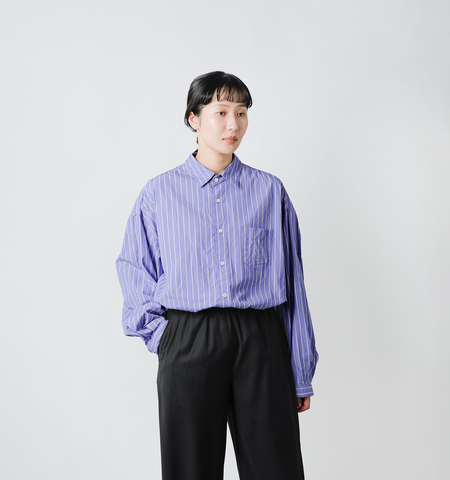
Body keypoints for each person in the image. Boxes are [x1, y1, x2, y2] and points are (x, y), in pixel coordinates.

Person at [116, 71, 318, 480]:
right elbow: (135, 270)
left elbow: (293, 285)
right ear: (194, 118)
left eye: (241, 113)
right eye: (221, 112)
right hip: (189, 338)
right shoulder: (159, 193)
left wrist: (300, 373)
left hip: (260, 339)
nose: (233, 124)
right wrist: (166, 338)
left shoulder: (270, 191)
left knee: (275, 468)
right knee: (191, 469)